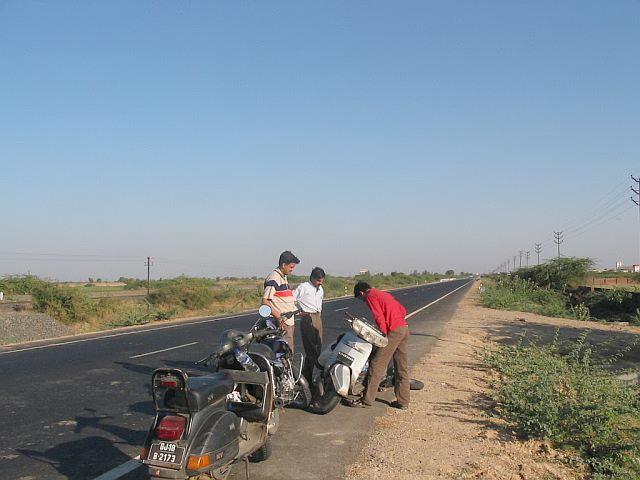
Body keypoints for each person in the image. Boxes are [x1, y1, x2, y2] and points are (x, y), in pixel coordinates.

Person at [349, 281, 410, 409]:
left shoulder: (370, 295)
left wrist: (382, 335)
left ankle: (366, 400)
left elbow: (379, 317)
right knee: (401, 367)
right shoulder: (383, 294)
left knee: (376, 365)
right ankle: (403, 401)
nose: (364, 302)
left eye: (361, 299)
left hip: (393, 331)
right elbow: (403, 309)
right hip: (403, 328)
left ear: (361, 293)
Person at [262, 250, 300, 350]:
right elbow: (265, 302)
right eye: (291, 267)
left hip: (288, 321)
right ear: (283, 265)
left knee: (288, 350)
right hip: (282, 322)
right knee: (284, 351)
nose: (292, 270)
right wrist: (279, 318)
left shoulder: (283, 277)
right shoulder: (274, 278)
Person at [293, 267, 325, 381]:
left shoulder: (320, 289)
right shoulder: (303, 287)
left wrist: (319, 315)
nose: (320, 283)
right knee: (311, 348)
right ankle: (312, 375)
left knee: (319, 345)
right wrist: (298, 311)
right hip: (307, 317)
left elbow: (319, 303)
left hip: (317, 317)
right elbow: (291, 299)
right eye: (318, 280)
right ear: (312, 278)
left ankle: (308, 372)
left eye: (322, 281)